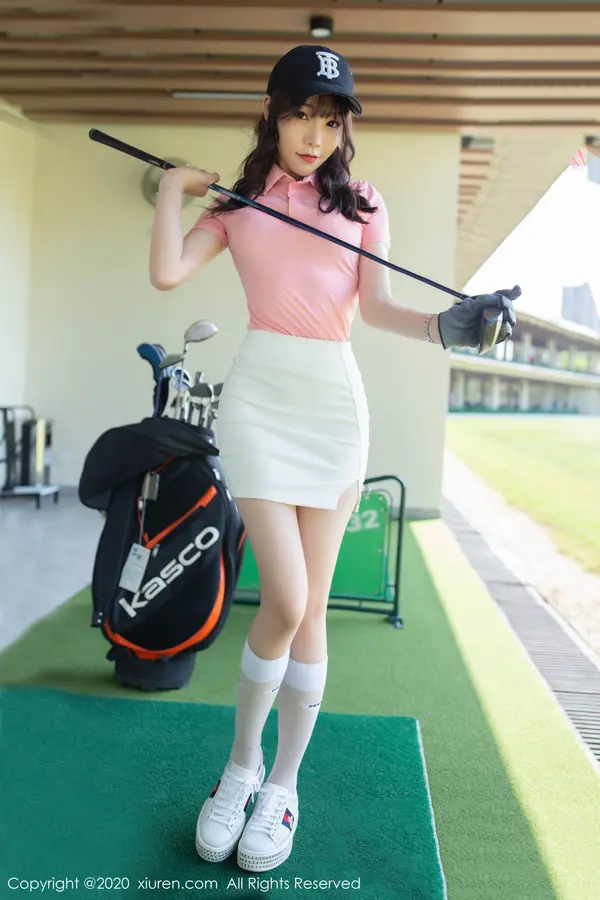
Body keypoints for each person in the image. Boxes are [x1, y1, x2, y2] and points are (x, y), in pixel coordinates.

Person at [149, 45, 518, 874]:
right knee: (285, 597)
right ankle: (239, 769)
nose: (314, 135)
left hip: (333, 411)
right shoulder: (239, 204)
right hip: (259, 404)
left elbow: (377, 307)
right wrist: (175, 190)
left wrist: (448, 327)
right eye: (299, 114)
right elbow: (168, 273)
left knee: (310, 610)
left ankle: (282, 786)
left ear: (343, 127)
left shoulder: (362, 201)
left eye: (329, 119)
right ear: (271, 115)